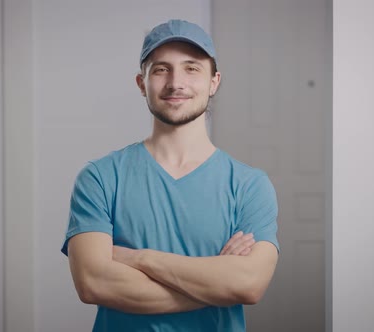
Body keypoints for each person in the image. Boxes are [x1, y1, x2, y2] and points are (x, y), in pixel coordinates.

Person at [62, 19, 279, 332]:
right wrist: (216, 283)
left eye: (192, 68)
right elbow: (94, 284)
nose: (176, 82)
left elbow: (248, 285)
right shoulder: (100, 178)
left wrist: (141, 260)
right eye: (161, 69)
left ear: (214, 81)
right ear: (141, 83)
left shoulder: (249, 186)